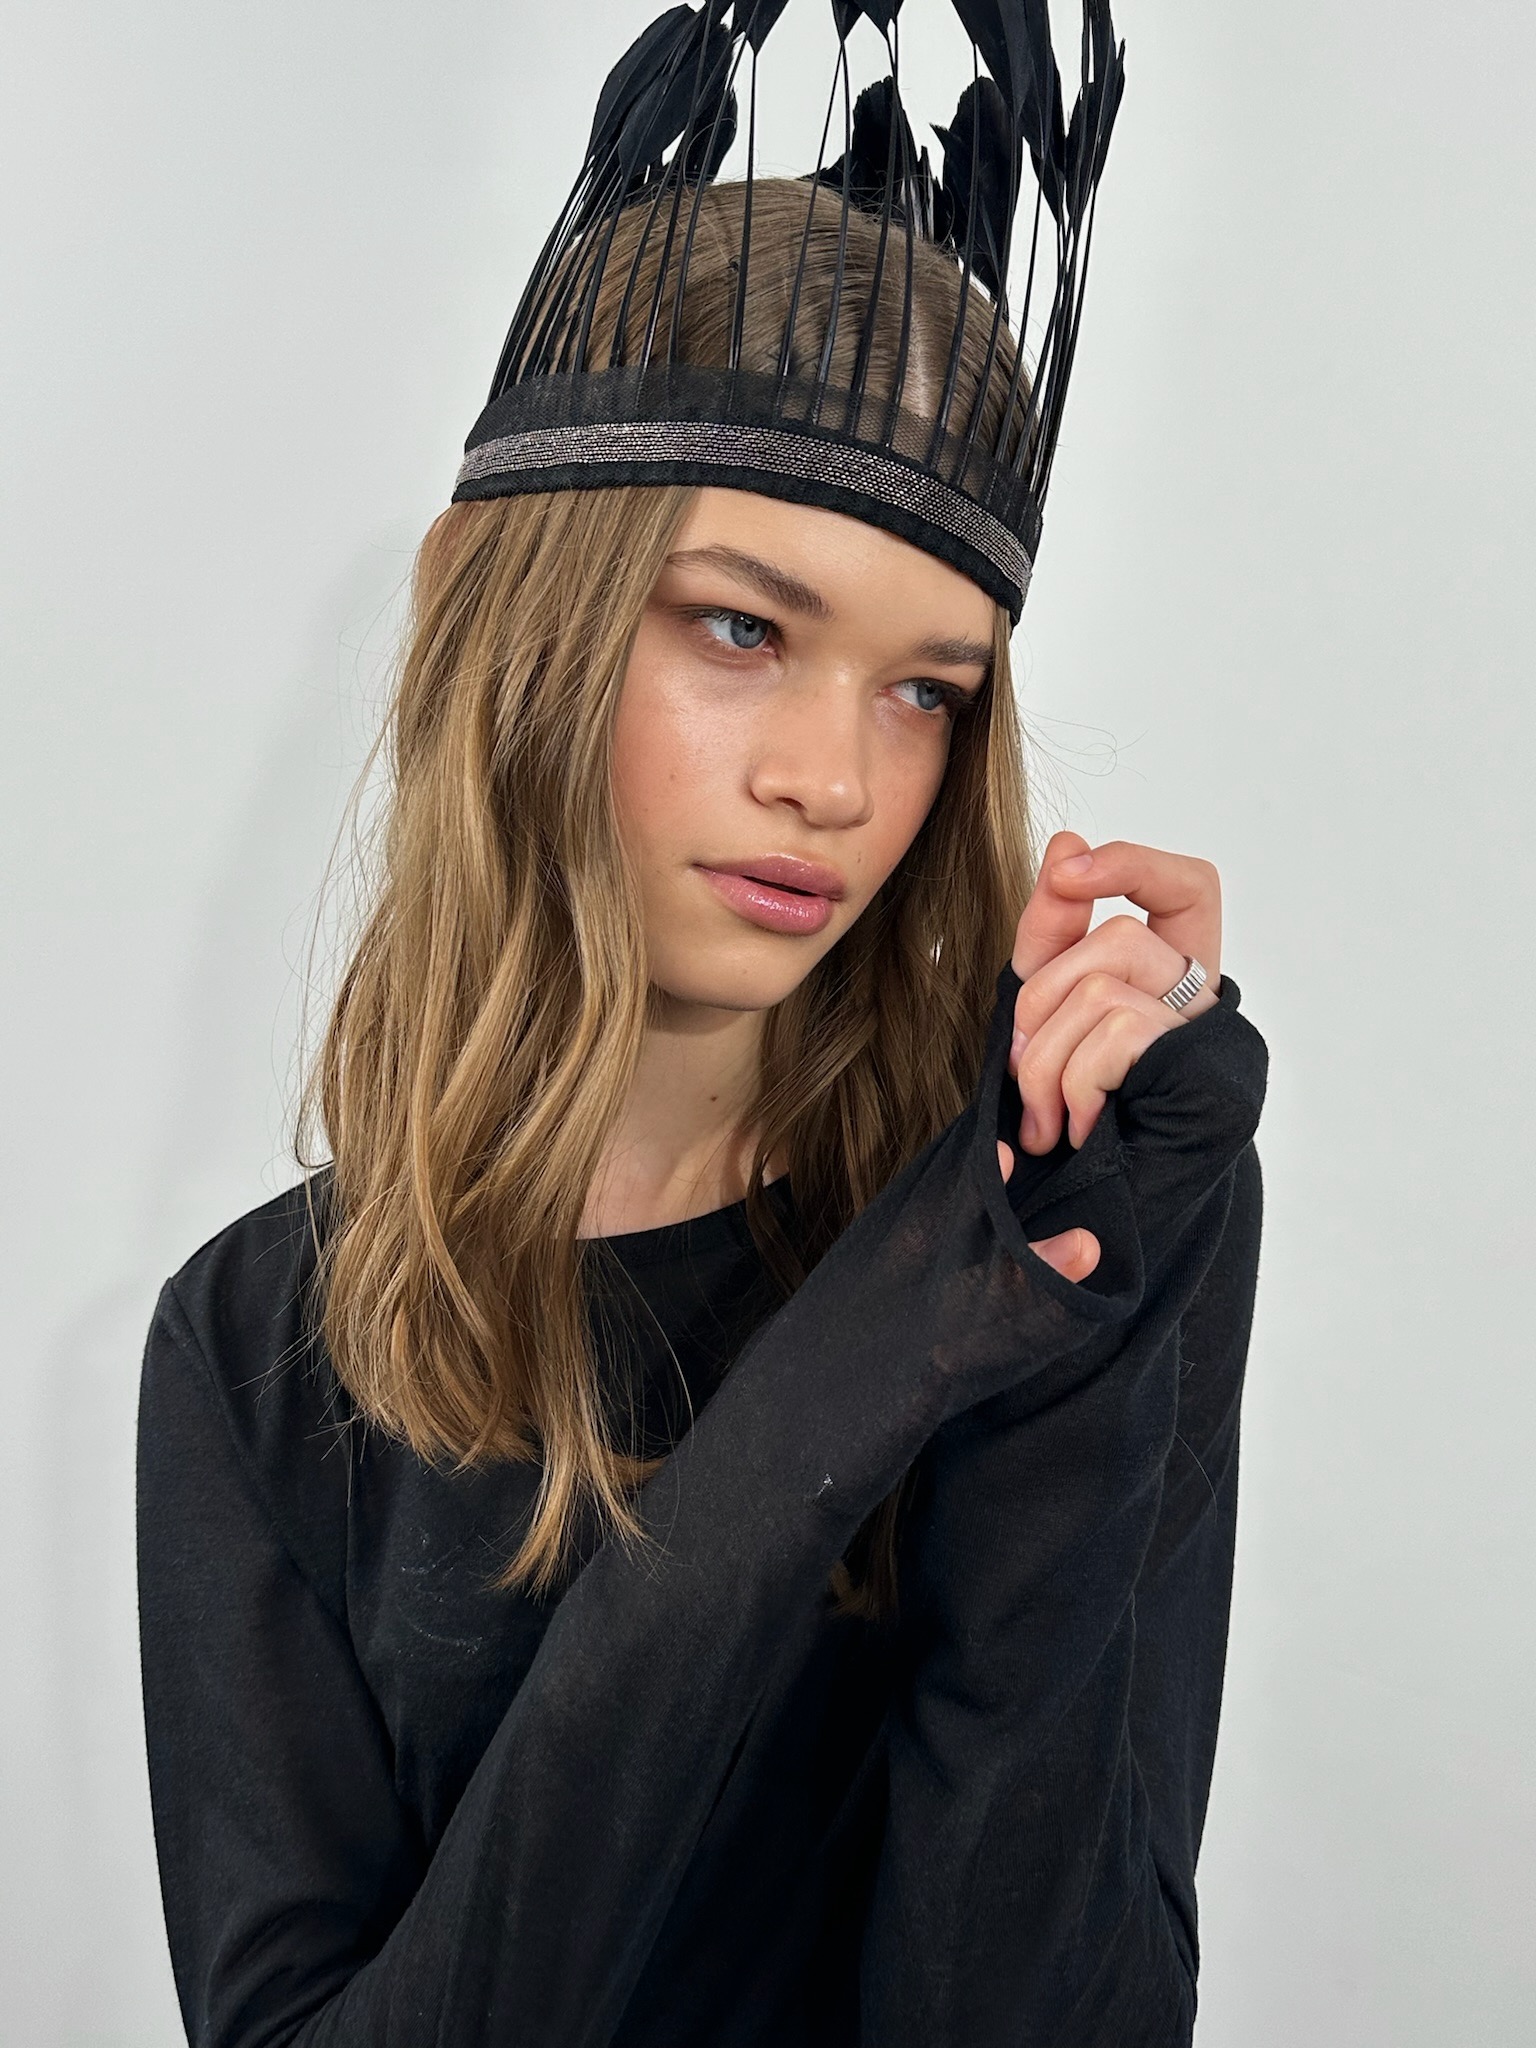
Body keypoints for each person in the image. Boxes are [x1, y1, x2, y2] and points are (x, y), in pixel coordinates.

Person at [136, 5, 1266, 2044]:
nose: (834, 779)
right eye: (741, 627)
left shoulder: (1049, 1195)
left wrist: (1070, 1364)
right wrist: (822, 1419)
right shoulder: (257, 1345)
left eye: (925, 689)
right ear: (494, 609)